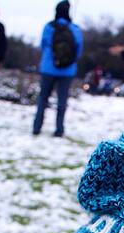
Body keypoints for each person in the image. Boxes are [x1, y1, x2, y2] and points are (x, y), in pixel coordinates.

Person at [32, 1, 83, 137]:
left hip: (48, 68)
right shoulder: (75, 29)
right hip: (67, 71)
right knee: (62, 100)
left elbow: (43, 45)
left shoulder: (48, 27)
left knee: (43, 98)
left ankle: (37, 127)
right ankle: (59, 129)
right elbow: (78, 50)